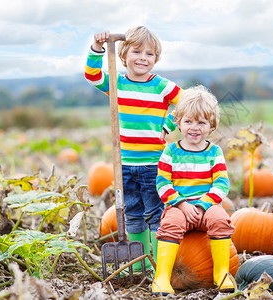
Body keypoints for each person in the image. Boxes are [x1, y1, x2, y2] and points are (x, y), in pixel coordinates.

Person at [84, 26, 181, 270]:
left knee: (156, 214)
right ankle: (139, 265)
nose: (143, 58)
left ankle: (159, 263)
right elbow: (92, 76)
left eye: (150, 54)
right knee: (133, 214)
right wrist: (97, 48)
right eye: (137, 52)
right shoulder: (117, 83)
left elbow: (186, 104)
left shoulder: (161, 86)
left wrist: (167, 126)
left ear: (156, 59)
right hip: (124, 163)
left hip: (154, 164)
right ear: (124, 54)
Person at [152, 85, 235, 295]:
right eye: (188, 121)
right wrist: (181, 204)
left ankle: (221, 273)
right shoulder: (171, 151)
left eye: (201, 122)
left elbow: (221, 184)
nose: (194, 127)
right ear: (178, 123)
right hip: (178, 206)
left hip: (206, 205)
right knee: (171, 223)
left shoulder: (214, 152)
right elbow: (163, 183)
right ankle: (161, 277)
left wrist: (202, 205)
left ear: (211, 126)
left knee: (221, 220)